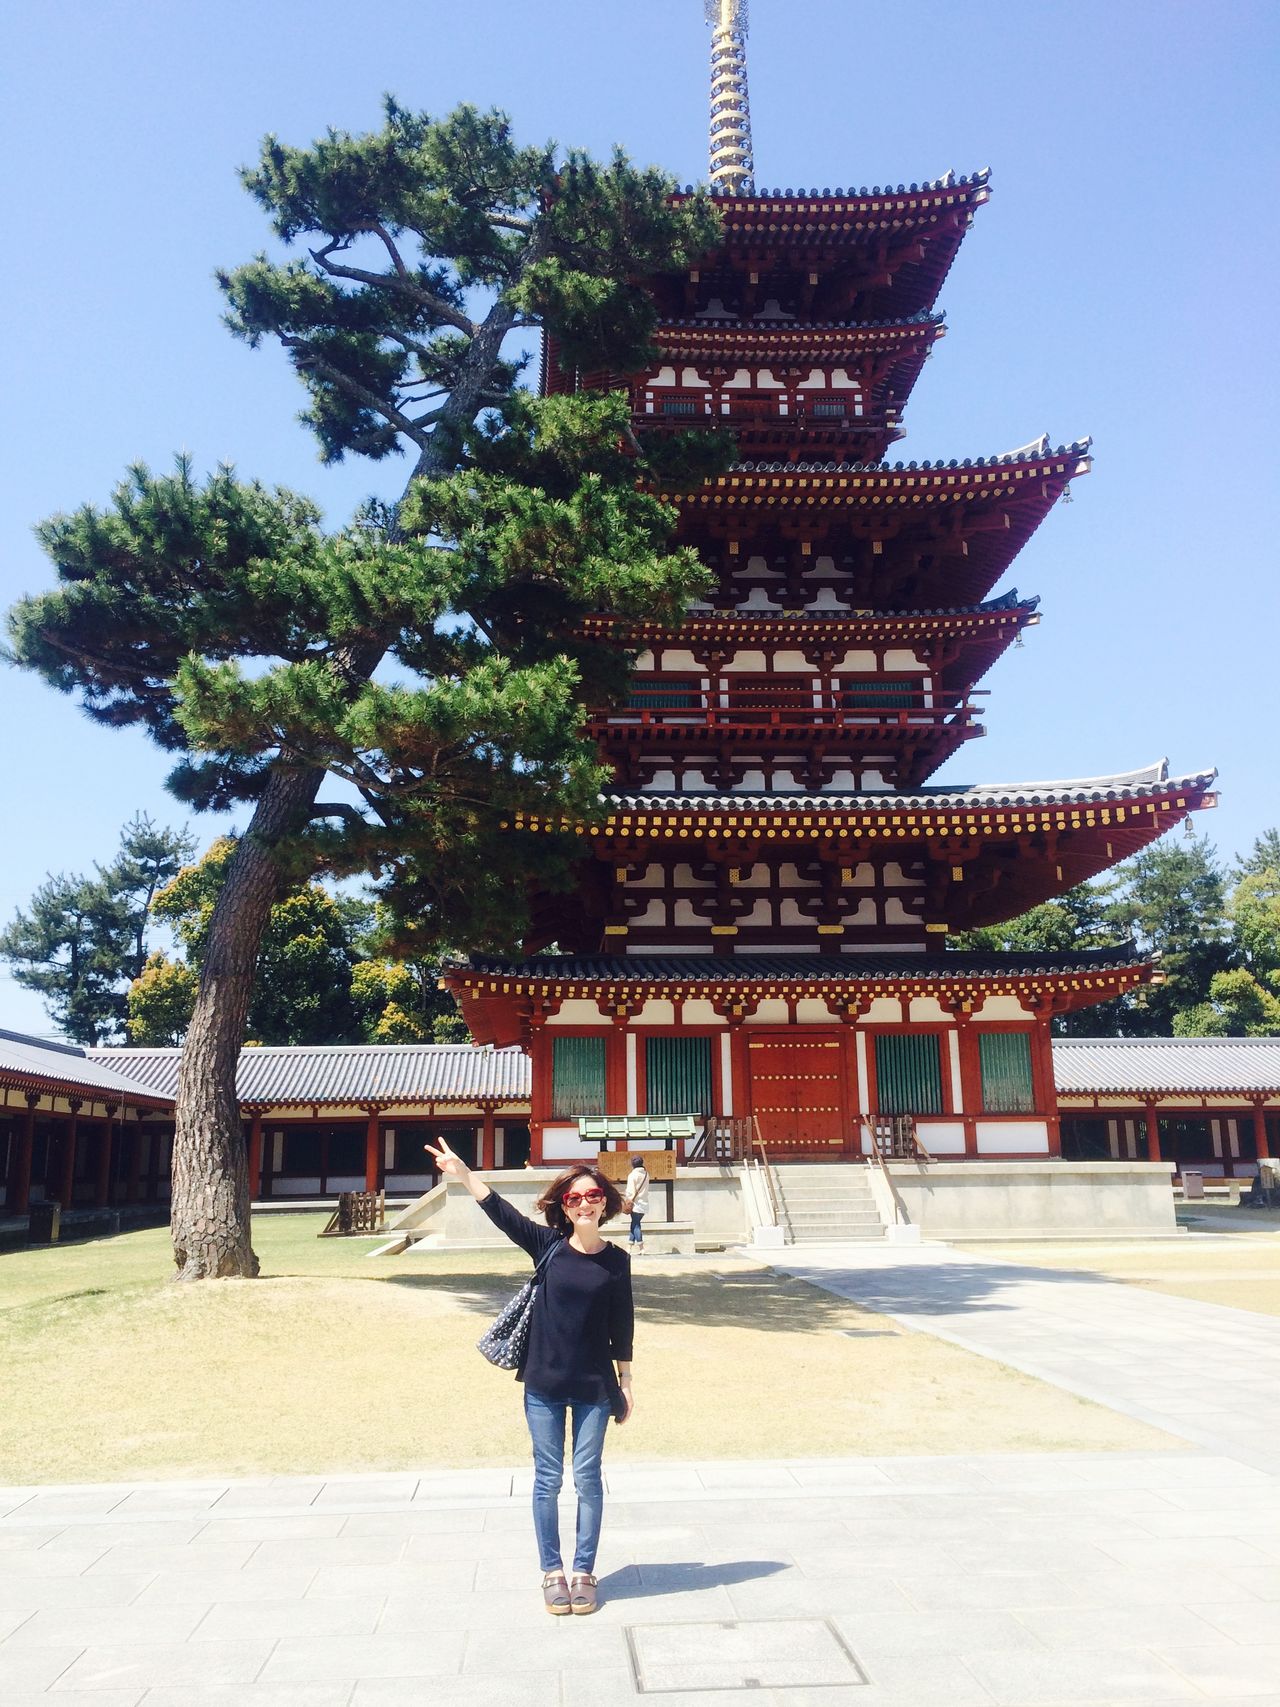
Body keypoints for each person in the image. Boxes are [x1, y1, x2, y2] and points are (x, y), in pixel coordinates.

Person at [424, 1135, 634, 1617]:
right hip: (542, 1382)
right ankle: (552, 1573)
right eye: (575, 1198)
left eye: (593, 1196)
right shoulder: (548, 1246)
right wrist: (462, 1172)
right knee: (548, 1479)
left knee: (588, 1478)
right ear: (564, 1206)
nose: (585, 1204)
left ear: (606, 1204)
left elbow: (622, 1322)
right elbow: (501, 1213)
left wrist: (625, 1383)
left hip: (594, 1388)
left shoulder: (617, 1261)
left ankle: (584, 1572)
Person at [622, 1153, 650, 1254]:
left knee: (636, 1225)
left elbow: (630, 1192)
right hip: (644, 1203)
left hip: (635, 1204)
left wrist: (627, 1199)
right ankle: (629, 1247)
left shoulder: (632, 1175)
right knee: (634, 1224)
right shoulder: (646, 1174)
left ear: (632, 1164)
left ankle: (641, 1247)